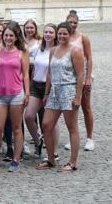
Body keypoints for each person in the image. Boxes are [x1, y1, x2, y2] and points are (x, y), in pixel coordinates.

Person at [38, 22, 85, 173]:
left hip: (69, 89)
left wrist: (78, 97)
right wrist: (46, 93)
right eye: (60, 33)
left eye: (65, 34)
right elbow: (50, 73)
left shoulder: (75, 51)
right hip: (55, 91)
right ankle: (51, 158)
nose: (62, 36)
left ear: (70, 35)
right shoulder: (53, 50)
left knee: (72, 127)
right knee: (46, 125)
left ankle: (73, 162)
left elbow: (80, 75)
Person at [0, 23, 30, 172]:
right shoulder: (0, 50)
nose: (8, 38)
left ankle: (16, 159)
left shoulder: (22, 52)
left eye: (11, 35)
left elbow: (25, 74)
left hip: (16, 94)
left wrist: (27, 93)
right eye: (6, 35)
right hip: (1, 93)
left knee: (16, 128)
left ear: (16, 36)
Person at [26, 23, 57, 162]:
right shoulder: (38, 49)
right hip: (36, 85)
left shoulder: (57, 50)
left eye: (51, 32)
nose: (48, 34)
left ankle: (54, 151)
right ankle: (38, 142)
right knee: (28, 116)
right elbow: (26, 57)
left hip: (50, 87)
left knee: (51, 121)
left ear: (55, 34)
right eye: (46, 32)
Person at [66, 10, 96, 152]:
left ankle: (90, 138)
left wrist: (88, 78)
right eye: (70, 22)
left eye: (75, 23)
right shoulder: (63, 36)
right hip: (68, 78)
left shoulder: (83, 38)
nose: (72, 25)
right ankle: (73, 136)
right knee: (71, 108)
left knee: (86, 107)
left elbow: (89, 58)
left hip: (82, 77)